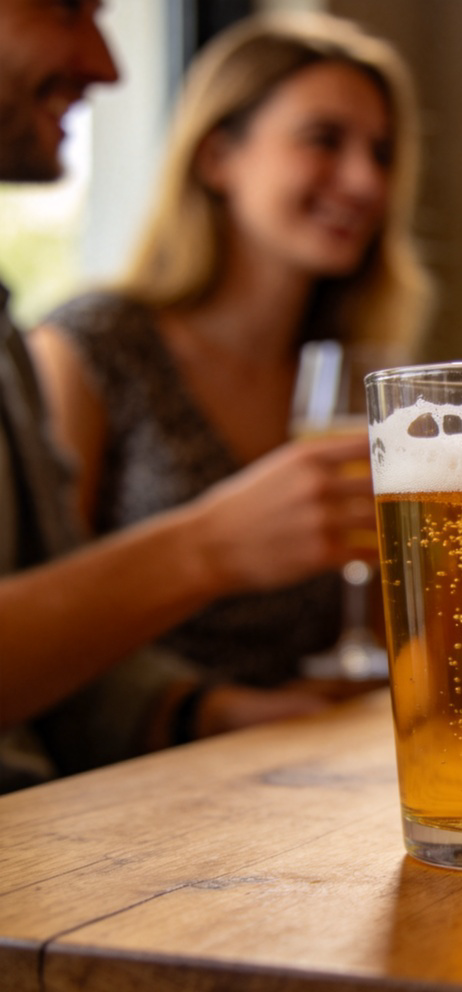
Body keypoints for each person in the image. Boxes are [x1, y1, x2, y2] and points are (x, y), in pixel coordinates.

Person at [0, 2, 393, 791]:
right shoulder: (94, 343)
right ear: (217, 157)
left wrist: (221, 713)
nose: (366, 180)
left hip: (280, 771)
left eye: (381, 153)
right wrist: (212, 545)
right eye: (323, 140)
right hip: (131, 796)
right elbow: (65, 634)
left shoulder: (360, 366)